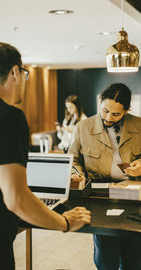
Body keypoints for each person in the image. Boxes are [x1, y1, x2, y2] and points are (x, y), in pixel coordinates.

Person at [0, 42, 91, 269]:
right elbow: (16, 198)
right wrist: (65, 222)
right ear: (14, 72)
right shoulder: (10, 117)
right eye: (24, 73)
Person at [69, 83, 141, 270]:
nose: (109, 117)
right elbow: (74, 159)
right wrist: (78, 175)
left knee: (133, 257)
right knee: (105, 257)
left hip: (135, 196)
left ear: (127, 110)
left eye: (116, 114)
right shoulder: (83, 127)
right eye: (105, 111)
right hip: (99, 197)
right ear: (100, 103)